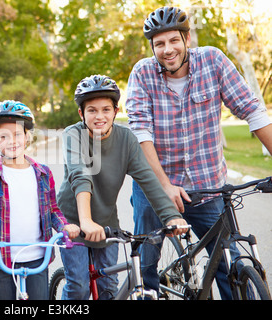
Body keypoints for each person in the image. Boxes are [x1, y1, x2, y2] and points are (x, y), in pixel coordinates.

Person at [126, 6, 272, 299]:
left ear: (187, 38)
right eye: (159, 44)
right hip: (155, 186)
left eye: (173, 40)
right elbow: (141, 133)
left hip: (207, 185)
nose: (168, 50)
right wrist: (164, 186)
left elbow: (252, 110)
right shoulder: (142, 73)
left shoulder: (213, 61)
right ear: (152, 47)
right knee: (148, 262)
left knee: (227, 263)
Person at [57, 74, 188, 300]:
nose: (100, 116)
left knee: (109, 288)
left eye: (106, 110)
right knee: (79, 287)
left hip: (106, 223)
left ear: (115, 112)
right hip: (74, 221)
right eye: (92, 110)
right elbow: (81, 175)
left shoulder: (126, 139)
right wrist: (85, 221)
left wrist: (171, 216)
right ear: (81, 113)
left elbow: (147, 179)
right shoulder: (73, 134)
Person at [0, 100, 80, 300]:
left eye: (18, 134)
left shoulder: (43, 173)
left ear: (28, 137)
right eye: (4, 136)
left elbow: (53, 211)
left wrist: (65, 227)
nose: (12, 141)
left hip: (37, 259)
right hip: (1, 261)